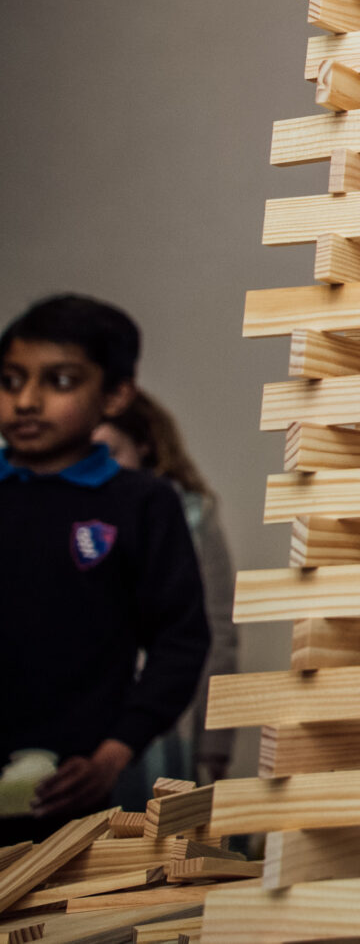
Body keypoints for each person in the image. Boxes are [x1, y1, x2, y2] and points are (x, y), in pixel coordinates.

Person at [0, 295, 211, 839]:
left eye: (60, 382)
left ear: (116, 395)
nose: (26, 401)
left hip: (79, 786)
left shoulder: (142, 503)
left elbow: (180, 640)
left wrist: (113, 756)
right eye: (10, 380)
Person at [94, 389, 237, 788]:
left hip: (161, 729)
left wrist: (214, 747)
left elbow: (215, 637)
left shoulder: (189, 516)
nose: (99, 470)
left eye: (111, 453)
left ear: (144, 447)